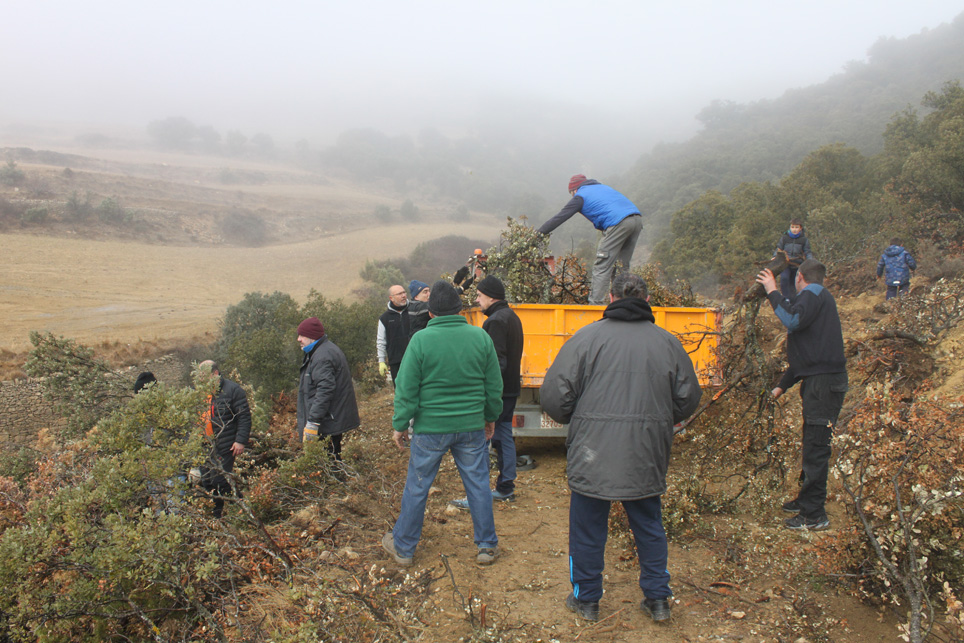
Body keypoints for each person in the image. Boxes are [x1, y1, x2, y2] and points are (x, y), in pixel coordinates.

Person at [540, 273, 702, 623]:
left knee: (587, 528)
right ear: (647, 299)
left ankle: (586, 600)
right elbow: (688, 399)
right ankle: (658, 600)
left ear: (610, 298)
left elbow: (554, 397)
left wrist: (573, 416)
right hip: (646, 450)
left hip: (592, 451)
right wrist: (658, 419)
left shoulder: (585, 339)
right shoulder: (668, 343)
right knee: (649, 525)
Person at [382, 280, 504, 567]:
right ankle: (486, 546)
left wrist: (400, 424)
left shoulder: (420, 341)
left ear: (431, 312)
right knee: (478, 485)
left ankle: (404, 548)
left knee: (417, 487)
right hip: (471, 426)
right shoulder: (480, 337)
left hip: (430, 429)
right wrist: (490, 418)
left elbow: (406, 388)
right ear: (460, 309)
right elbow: (493, 386)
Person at [755, 259, 848, 531]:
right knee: (812, 443)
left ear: (799, 278)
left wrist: (772, 290)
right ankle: (807, 500)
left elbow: (791, 319)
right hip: (821, 381)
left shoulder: (812, 294)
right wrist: (780, 386)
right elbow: (809, 356)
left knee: (816, 447)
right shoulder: (817, 298)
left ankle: (814, 514)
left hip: (824, 385)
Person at [450, 275, 524, 509]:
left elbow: (496, 363)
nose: (477, 300)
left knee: (481, 440)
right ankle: (506, 487)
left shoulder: (495, 321)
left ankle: (477, 495)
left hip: (497, 393)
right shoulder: (511, 316)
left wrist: (484, 392)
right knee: (503, 437)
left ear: (491, 297)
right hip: (510, 389)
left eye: (480, 295)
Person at [538, 174, 642, 305]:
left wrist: (538, 234)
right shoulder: (601, 188)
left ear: (574, 189)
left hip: (618, 223)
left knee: (602, 265)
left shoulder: (580, 196)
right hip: (636, 220)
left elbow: (560, 217)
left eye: (571, 194)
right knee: (622, 267)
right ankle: (623, 304)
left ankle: (595, 305)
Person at [296, 317, 360, 461]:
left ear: (312, 336)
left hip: (327, 421)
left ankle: (336, 476)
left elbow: (324, 391)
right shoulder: (322, 351)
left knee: (328, 461)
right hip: (329, 418)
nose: (299, 339)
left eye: (302, 335)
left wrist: (313, 422)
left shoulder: (322, 356)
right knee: (331, 458)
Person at [197, 360, 251, 519]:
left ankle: (241, 510)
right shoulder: (201, 393)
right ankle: (217, 516)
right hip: (205, 444)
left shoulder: (233, 390)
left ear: (215, 373)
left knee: (220, 479)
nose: (200, 379)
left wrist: (240, 440)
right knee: (207, 481)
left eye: (203, 375)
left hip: (226, 443)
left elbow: (244, 417)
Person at [376, 286, 428, 383]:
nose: (404, 296)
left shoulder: (414, 311)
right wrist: (381, 361)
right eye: (399, 294)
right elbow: (381, 341)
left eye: (404, 292)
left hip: (417, 360)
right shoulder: (384, 318)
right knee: (400, 390)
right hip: (396, 363)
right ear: (391, 298)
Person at [774, 218, 814, 299]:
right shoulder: (784, 238)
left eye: (796, 227)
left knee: (794, 283)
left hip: (797, 264)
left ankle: (793, 300)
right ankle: (785, 298)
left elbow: (807, 252)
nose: (794, 229)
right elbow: (779, 249)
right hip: (785, 263)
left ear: (800, 228)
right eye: (792, 227)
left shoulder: (804, 240)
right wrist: (775, 257)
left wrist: (810, 261)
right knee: (784, 279)